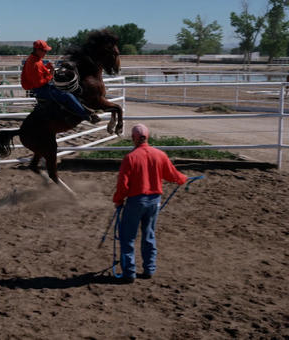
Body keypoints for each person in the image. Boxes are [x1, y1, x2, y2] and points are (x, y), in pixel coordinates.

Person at [112, 124, 188, 284]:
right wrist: (183, 179)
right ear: (148, 137)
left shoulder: (130, 158)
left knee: (127, 237)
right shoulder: (159, 154)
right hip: (154, 201)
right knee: (149, 234)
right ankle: (149, 268)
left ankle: (129, 272)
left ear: (133, 138)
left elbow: (123, 185)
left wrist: (118, 200)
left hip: (135, 201)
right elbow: (172, 174)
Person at [21, 40, 99, 123]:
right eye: (44, 51)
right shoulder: (35, 63)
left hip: (42, 87)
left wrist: (46, 67)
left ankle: (81, 108)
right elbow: (39, 82)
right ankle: (86, 115)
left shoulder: (35, 59)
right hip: (41, 89)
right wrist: (51, 73)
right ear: (37, 50)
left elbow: (38, 73)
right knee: (66, 95)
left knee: (68, 87)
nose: (46, 52)